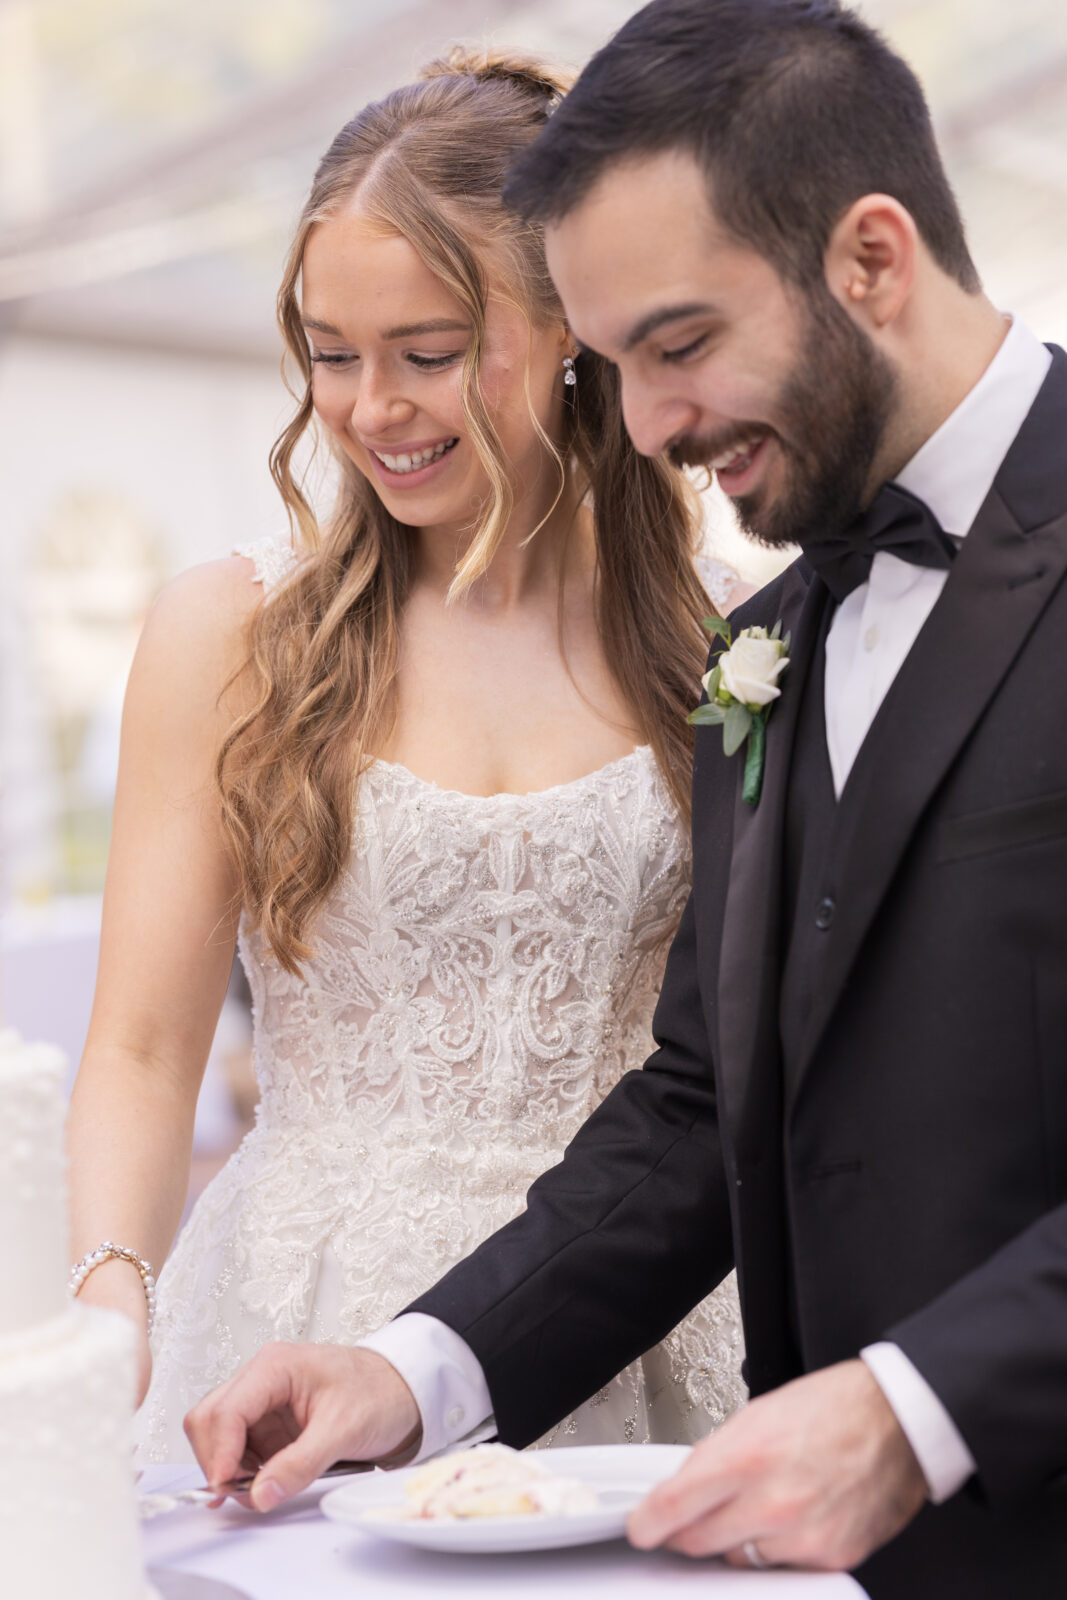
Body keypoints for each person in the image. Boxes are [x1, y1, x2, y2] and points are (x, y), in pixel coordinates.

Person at [184, 3, 1067, 1595]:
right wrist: (419, 1371)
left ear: (870, 259)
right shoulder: (764, 644)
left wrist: (920, 1408)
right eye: (612, 366)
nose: (648, 426)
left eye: (679, 345)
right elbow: (695, 1116)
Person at [65, 47, 750, 1465]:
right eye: (329, 354)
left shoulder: (732, 642)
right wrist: (112, 1294)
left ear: (569, 325)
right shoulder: (234, 633)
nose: (371, 407)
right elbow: (139, 1046)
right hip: (294, 1310)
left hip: (642, 1329)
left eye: (428, 354)